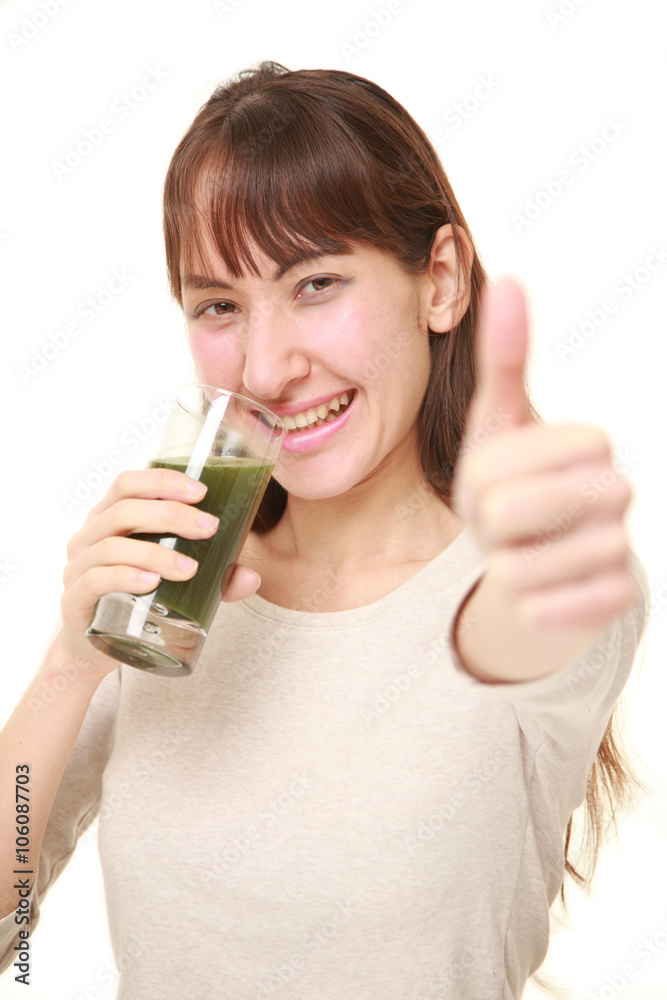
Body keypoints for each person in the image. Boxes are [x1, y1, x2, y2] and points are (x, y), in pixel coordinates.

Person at [0, 60, 649, 999]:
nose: (266, 369)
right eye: (219, 305)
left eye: (315, 284)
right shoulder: (171, 583)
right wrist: (71, 662)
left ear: (441, 281)